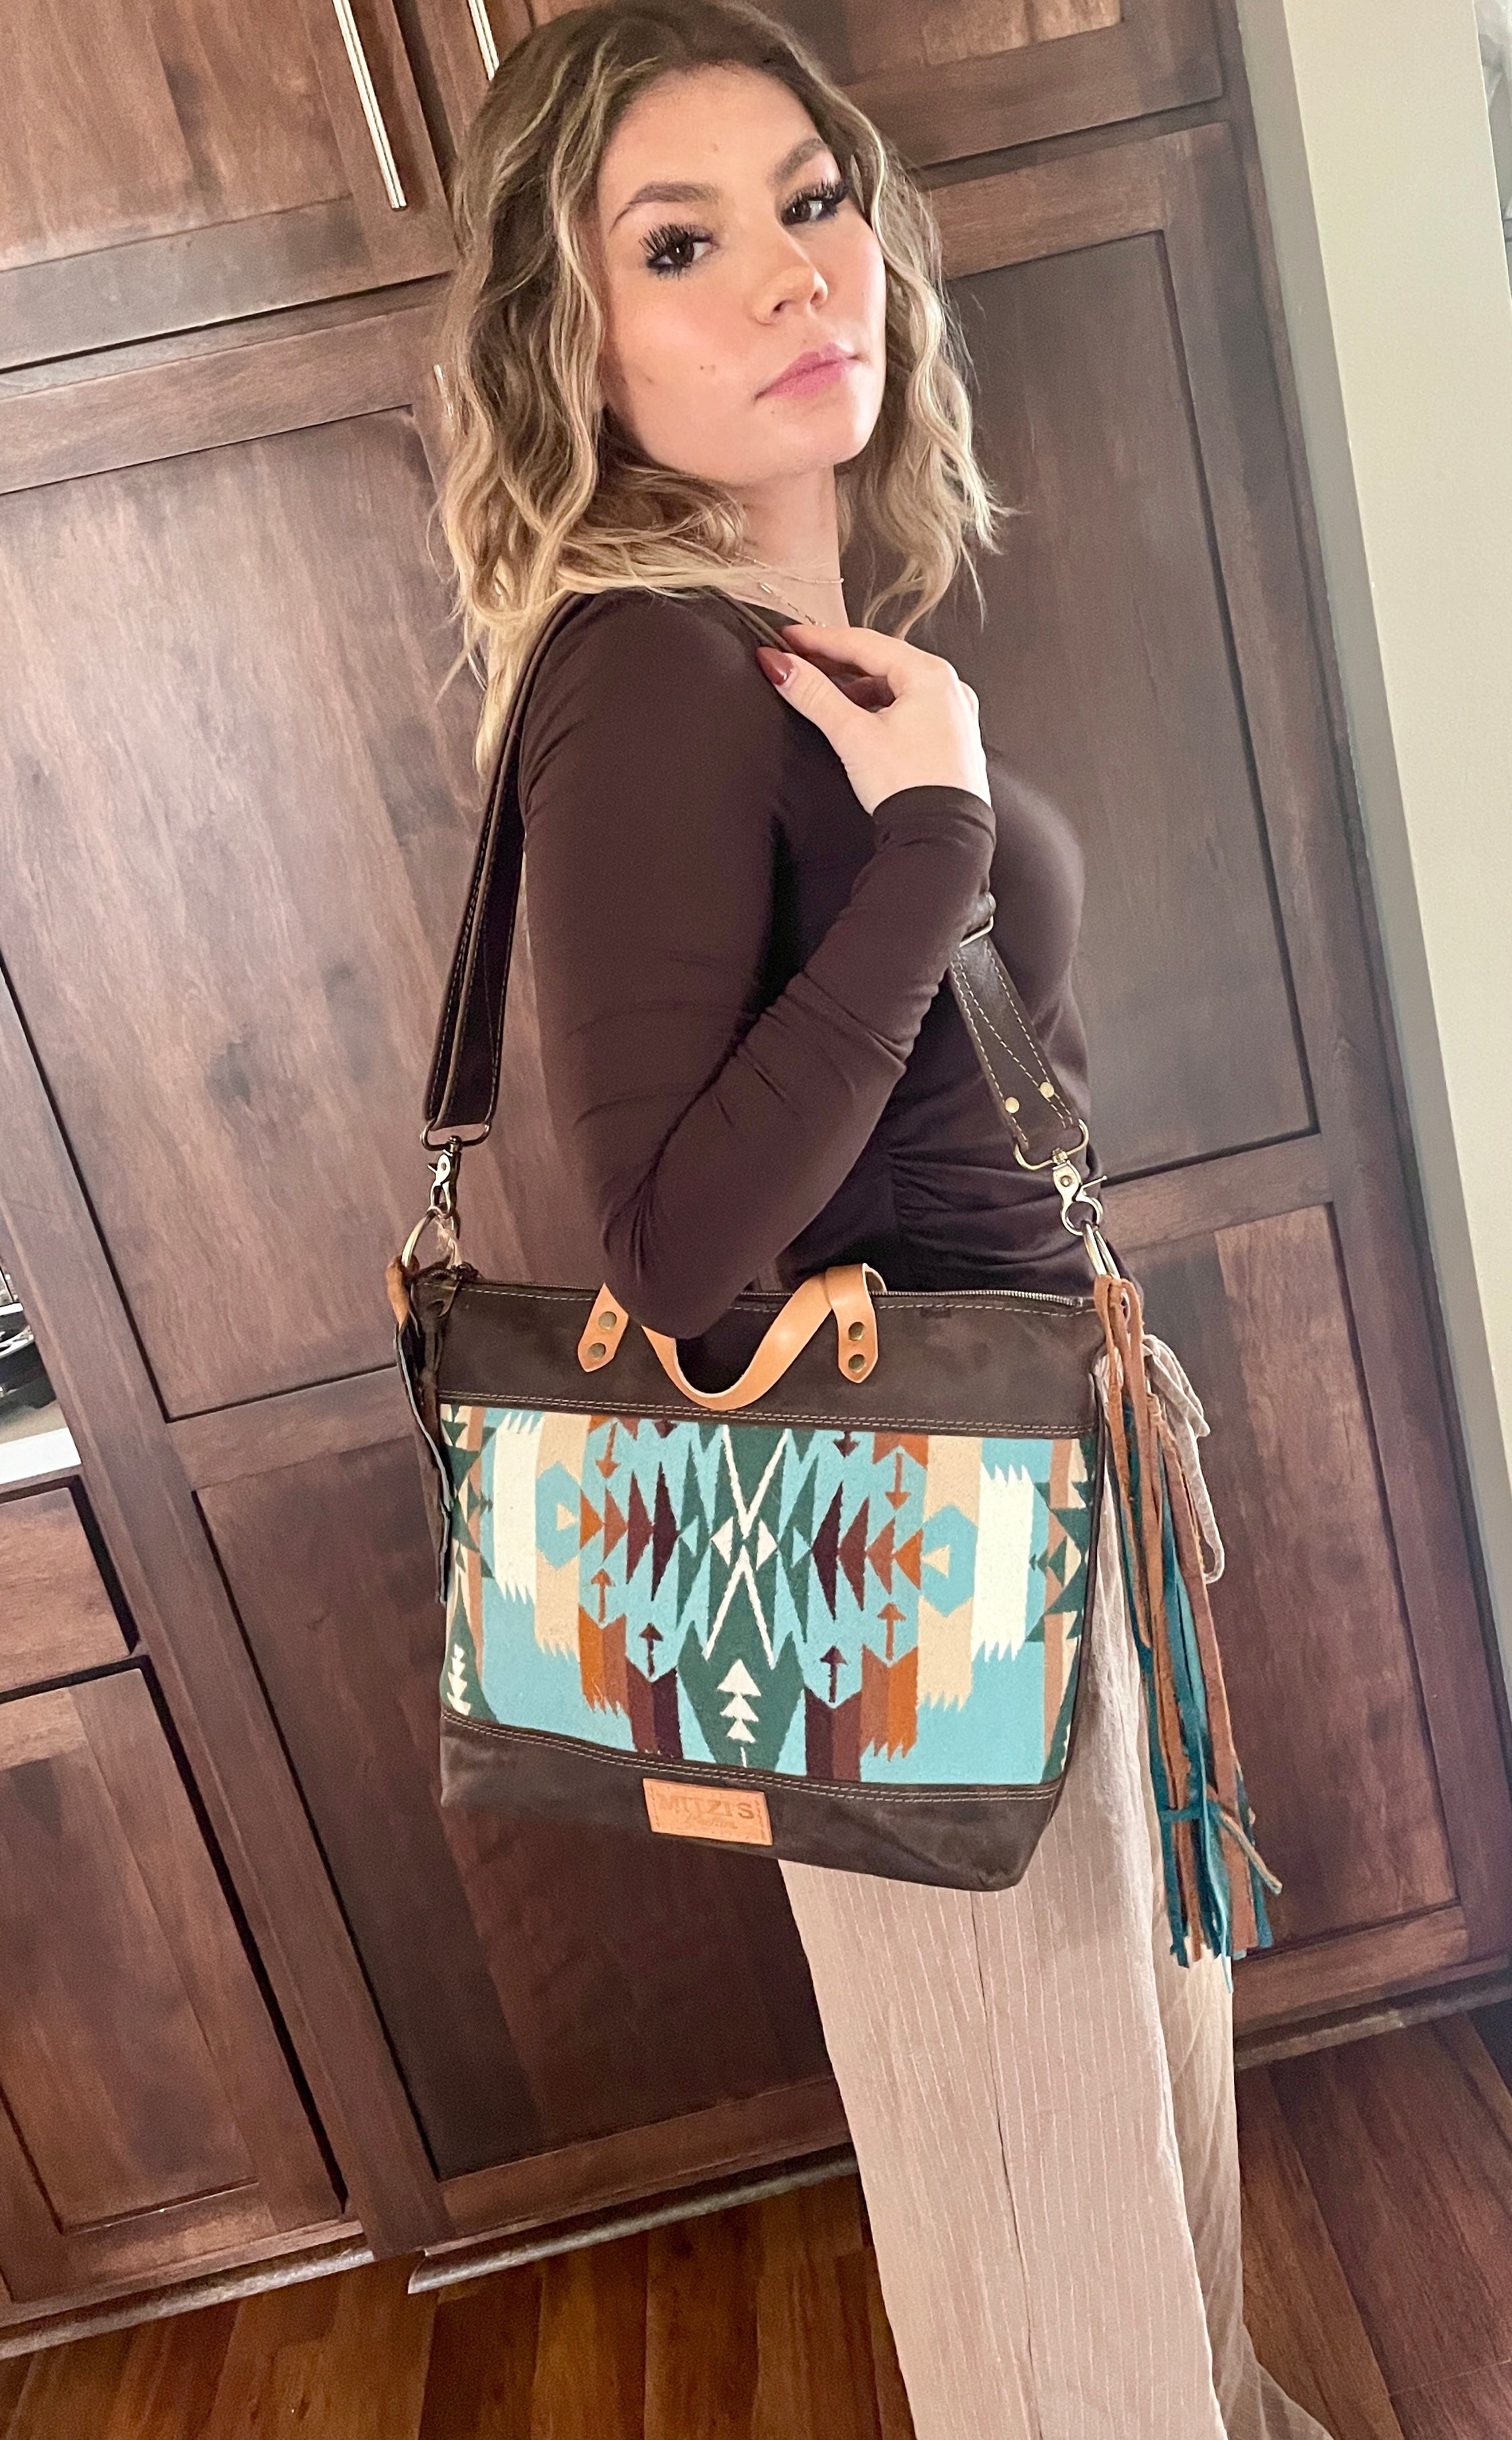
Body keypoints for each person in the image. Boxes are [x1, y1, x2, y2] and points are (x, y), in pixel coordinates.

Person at [436, 5, 1333, 2433]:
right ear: (571, 342)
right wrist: (936, 832)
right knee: (1054, 2261)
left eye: (811, 200)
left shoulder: (786, 655)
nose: (784, 274)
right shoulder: (645, 676)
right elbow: (671, 1251)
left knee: (1138, 2187)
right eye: (677, 244)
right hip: (892, 1546)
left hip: (1024, 1489)